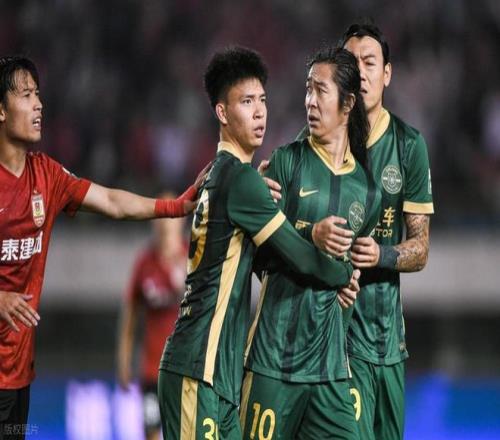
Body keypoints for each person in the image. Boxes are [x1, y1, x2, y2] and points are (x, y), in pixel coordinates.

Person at [157, 46, 358, 440]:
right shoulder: (241, 180)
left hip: (218, 377)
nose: (260, 112)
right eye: (246, 102)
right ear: (222, 113)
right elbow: (302, 258)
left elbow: (258, 253)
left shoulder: (223, 174)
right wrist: (344, 271)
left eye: (262, 100)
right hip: (197, 367)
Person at [0, 56, 205, 440]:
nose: (39, 105)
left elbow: (112, 201)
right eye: (26, 95)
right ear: (0, 110)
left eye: (38, 95)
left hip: (17, 372)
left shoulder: (46, 175)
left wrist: (175, 207)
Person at [241, 47, 381, 440]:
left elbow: (351, 275)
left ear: (347, 103)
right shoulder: (285, 163)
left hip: (329, 372)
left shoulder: (368, 192)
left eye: (320, 90)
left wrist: (348, 282)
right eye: (307, 90)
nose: (310, 101)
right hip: (274, 363)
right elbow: (258, 257)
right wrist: (310, 237)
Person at [117, 203, 187, 440]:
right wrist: (124, 359)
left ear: (181, 221)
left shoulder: (193, 257)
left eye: (171, 217)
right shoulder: (145, 263)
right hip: (152, 369)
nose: (166, 224)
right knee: (152, 432)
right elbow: (130, 315)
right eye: (161, 217)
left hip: (186, 367)